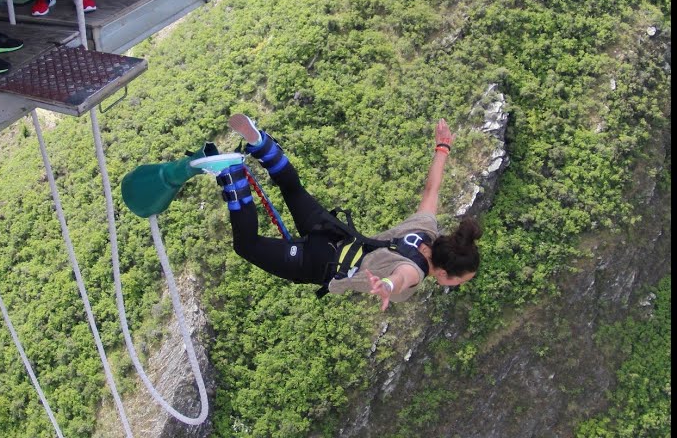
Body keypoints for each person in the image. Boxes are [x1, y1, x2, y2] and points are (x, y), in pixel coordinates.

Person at [196, 114, 481, 311]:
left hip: (332, 230)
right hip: (318, 262)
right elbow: (402, 278)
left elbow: (432, 191)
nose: (456, 284)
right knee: (247, 245)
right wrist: (386, 285)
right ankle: (231, 172)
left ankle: (261, 143)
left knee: (293, 190)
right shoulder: (416, 273)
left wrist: (442, 148)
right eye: (458, 280)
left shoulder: (427, 230)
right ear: (443, 272)